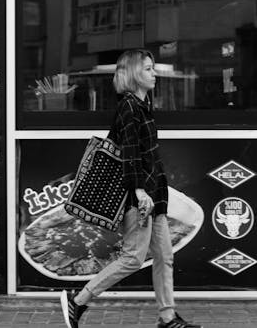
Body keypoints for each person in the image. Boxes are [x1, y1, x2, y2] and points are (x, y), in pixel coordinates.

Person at [61, 49, 201, 328]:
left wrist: (154, 191)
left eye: (152, 68)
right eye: (148, 69)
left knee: (164, 256)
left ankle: (167, 317)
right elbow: (130, 155)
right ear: (136, 73)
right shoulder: (129, 107)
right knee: (133, 258)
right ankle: (78, 299)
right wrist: (139, 192)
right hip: (139, 196)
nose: (154, 74)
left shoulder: (143, 104)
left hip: (154, 193)